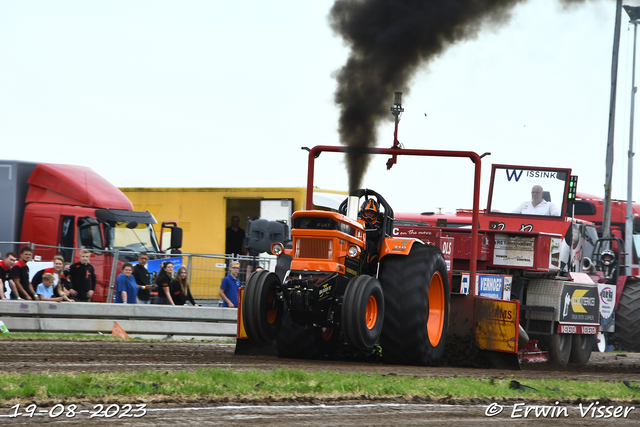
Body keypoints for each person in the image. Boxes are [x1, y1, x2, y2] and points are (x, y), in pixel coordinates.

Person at [359, 198, 383, 275]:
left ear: (375, 214)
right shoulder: (357, 220)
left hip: (371, 247)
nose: (369, 215)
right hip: (357, 243)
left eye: (371, 213)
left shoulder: (377, 224)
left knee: (370, 244)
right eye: (367, 212)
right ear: (363, 212)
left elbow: (374, 235)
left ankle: (364, 267)